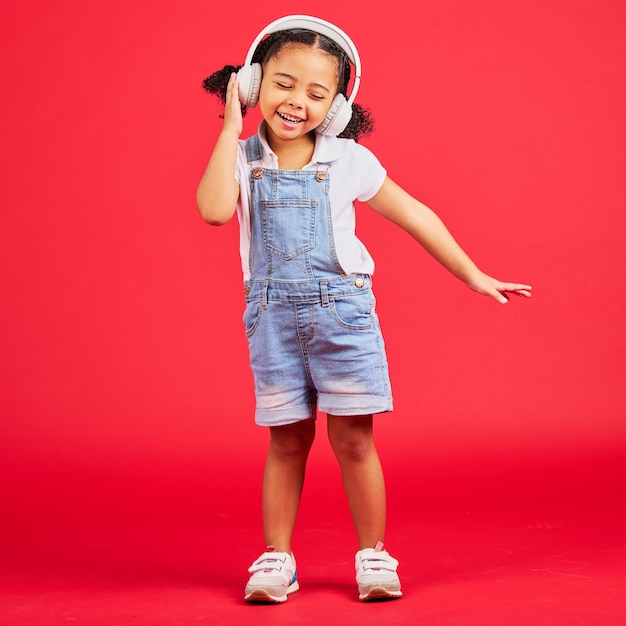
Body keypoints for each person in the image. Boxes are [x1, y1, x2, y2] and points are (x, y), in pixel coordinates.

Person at [196, 15, 531, 604]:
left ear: (338, 108)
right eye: (281, 83)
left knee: (353, 440)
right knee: (286, 441)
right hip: (271, 317)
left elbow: (417, 215)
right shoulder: (242, 158)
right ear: (252, 84)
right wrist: (230, 123)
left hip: (342, 315)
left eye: (316, 93)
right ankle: (277, 559)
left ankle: (374, 555)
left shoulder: (348, 160)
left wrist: (472, 274)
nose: (296, 101)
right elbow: (216, 211)